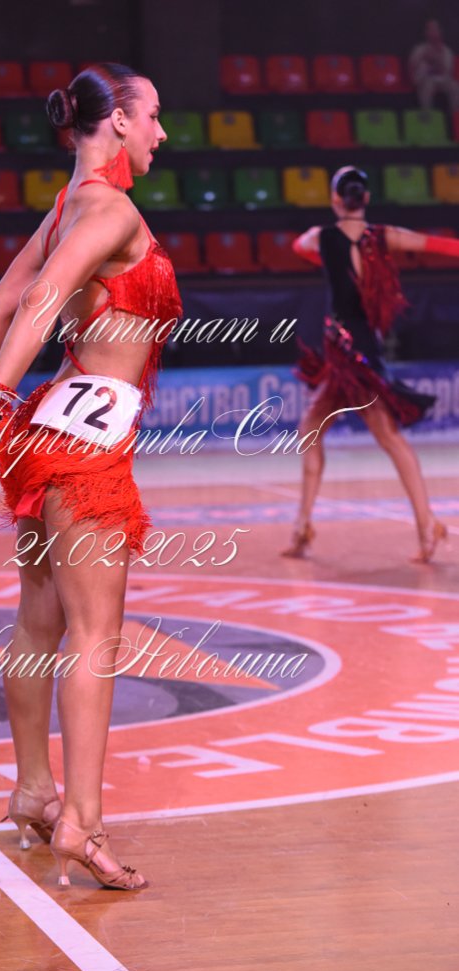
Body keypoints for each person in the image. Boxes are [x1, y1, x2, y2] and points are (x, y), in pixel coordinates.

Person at [0, 63, 182, 890]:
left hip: (50, 432)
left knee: (38, 621)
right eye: (154, 115)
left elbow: (2, 301)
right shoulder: (113, 211)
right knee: (96, 636)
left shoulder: (68, 205)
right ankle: (82, 823)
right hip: (86, 450)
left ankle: (34, 787)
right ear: (119, 121)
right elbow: (37, 302)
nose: (162, 132)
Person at [284, 165, 459, 564]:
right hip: (352, 351)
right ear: (365, 198)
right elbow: (437, 245)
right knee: (313, 428)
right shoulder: (384, 236)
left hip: (350, 354)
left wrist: (327, 260)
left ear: (335, 199)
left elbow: (298, 247)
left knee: (386, 436)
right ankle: (303, 526)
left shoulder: (321, 237)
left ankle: (427, 524)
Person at [408, 19, 459, 113]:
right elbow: (412, 68)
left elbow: (446, 72)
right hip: (424, 79)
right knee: (428, 86)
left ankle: (455, 116)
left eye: (435, 29)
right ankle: (427, 116)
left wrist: (435, 60)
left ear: (440, 31)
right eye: (430, 29)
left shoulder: (447, 51)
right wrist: (423, 57)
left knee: (455, 86)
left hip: (441, 79)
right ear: (426, 32)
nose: (433, 32)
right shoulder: (419, 49)